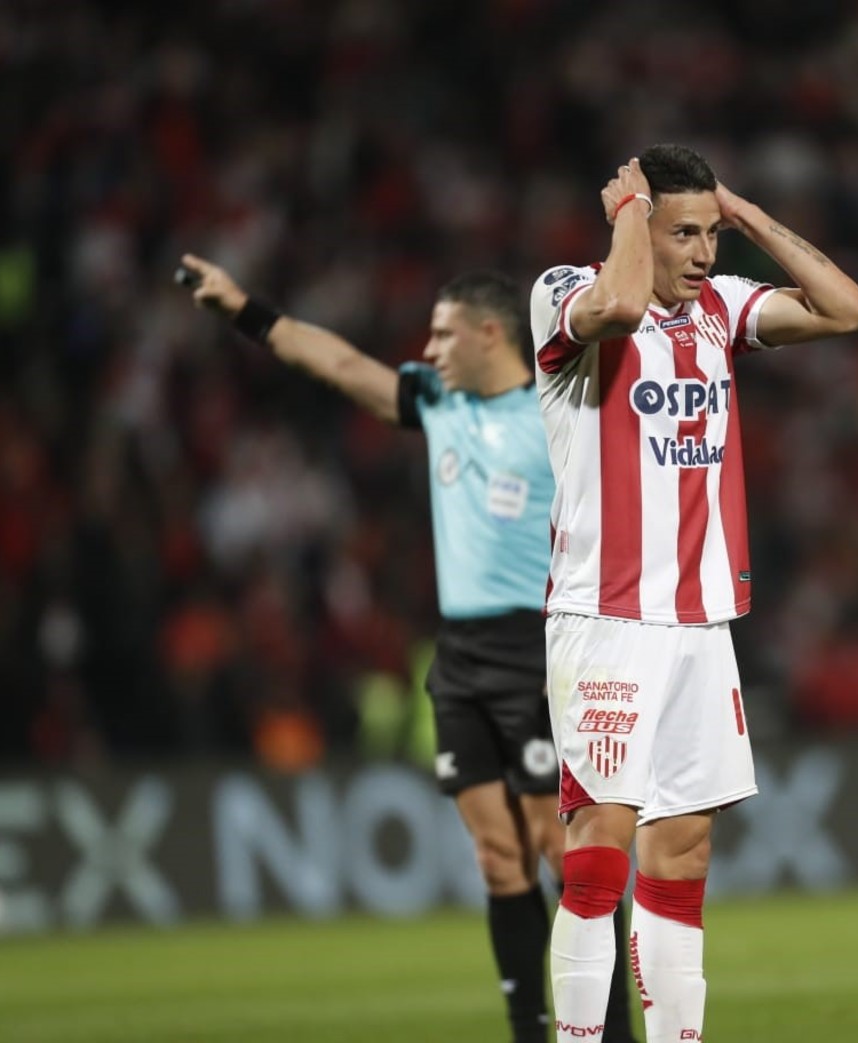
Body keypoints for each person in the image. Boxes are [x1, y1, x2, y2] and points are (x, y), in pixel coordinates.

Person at [177, 255, 636, 1042]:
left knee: (560, 848)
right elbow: (336, 361)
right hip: (459, 658)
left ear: (491, 334)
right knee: (499, 858)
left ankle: (612, 1030)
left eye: (442, 333)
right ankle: (530, 1028)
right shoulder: (434, 403)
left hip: (540, 650)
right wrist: (243, 310)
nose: (428, 349)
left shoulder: (557, 410)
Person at [529, 144, 858, 1042]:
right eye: (685, 233)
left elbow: (848, 309)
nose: (704, 254)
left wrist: (745, 213)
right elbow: (622, 300)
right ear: (638, 222)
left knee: (682, 851)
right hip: (605, 618)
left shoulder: (719, 306)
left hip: (698, 623)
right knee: (600, 848)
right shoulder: (565, 292)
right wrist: (628, 220)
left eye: (710, 235)